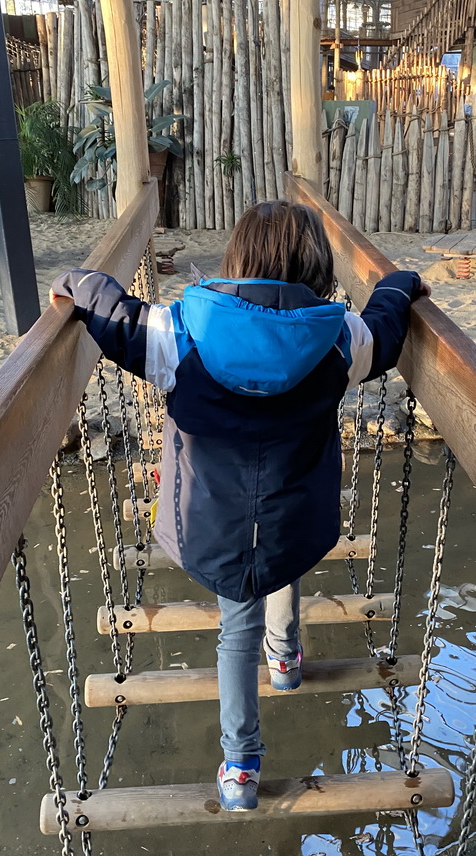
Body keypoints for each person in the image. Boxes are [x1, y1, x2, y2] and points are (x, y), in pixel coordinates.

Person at [50, 200, 429, 811]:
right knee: (280, 561)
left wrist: (79, 283)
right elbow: (386, 332)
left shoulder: (179, 334)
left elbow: (115, 319)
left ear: (238, 260)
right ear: (315, 268)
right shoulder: (340, 340)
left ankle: (241, 766)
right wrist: (399, 284)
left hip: (212, 522)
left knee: (235, 629)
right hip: (293, 515)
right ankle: (285, 661)